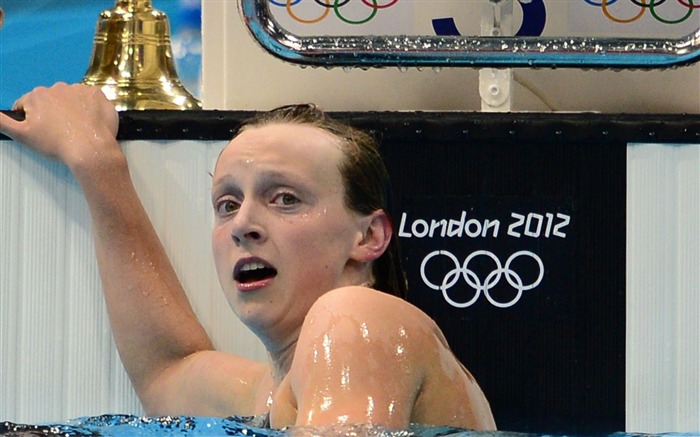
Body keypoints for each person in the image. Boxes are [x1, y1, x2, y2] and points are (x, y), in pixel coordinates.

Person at [0, 83, 496, 431]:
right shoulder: (268, 391)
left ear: (368, 237)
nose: (243, 225)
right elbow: (167, 370)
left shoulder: (354, 318)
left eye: (285, 199)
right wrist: (95, 161)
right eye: (228, 205)